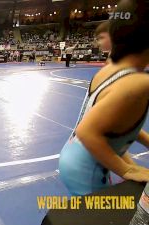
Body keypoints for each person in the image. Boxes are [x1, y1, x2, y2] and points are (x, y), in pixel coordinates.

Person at [59, 0, 149, 196]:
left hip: (75, 156)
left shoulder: (111, 69)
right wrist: (127, 169)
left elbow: (115, 124)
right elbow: (87, 131)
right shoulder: (139, 83)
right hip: (87, 169)